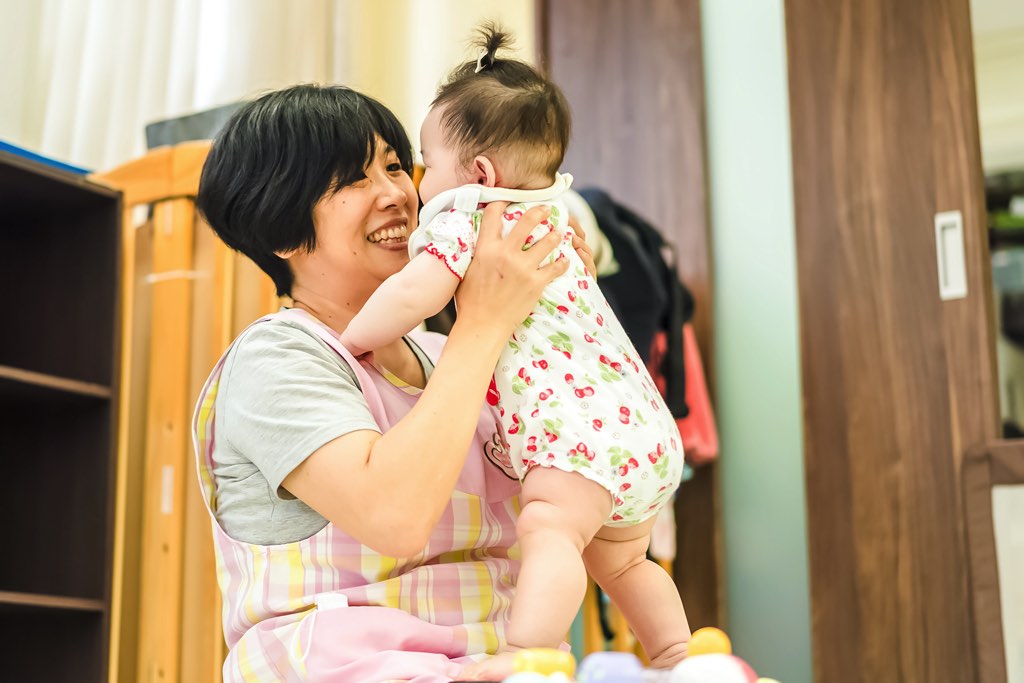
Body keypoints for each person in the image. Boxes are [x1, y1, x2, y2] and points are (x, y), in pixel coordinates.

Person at [192, 83, 597, 682]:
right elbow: (394, 518)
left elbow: (587, 489)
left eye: (393, 167)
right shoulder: (276, 356)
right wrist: (484, 322)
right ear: (281, 228)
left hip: (506, 660)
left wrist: (566, 318)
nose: (396, 195)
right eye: (353, 180)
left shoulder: (444, 350)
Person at [340, 26, 691, 679]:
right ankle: (676, 652)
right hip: (644, 432)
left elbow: (417, 292)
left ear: (478, 173)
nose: (421, 181)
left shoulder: (472, 214)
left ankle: (524, 653)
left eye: (425, 161)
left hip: (576, 441)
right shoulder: (556, 212)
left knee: (550, 531)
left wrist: (354, 336)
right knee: (622, 561)